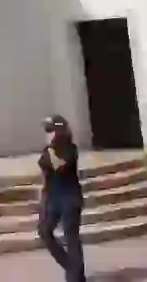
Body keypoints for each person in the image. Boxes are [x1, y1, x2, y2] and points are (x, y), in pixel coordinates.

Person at [37, 114, 86, 282]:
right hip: (52, 197)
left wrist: (51, 149)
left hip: (70, 197)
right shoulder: (47, 151)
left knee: (71, 236)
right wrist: (42, 197)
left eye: (50, 130)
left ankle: (75, 277)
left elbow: (59, 167)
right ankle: (72, 267)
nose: (47, 134)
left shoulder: (70, 149)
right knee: (44, 231)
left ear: (59, 131)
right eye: (46, 130)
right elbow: (45, 173)